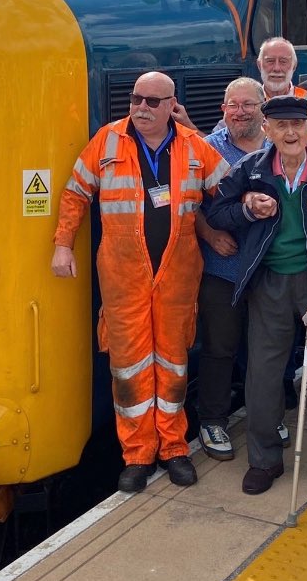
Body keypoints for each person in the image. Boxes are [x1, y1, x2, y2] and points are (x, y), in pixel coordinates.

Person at [51, 72, 229, 492]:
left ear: (172, 105)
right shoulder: (107, 141)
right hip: (123, 273)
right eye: (136, 99)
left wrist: (255, 205)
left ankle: (173, 448)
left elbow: (230, 187)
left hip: (178, 273)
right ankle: (137, 455)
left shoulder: (192, 145)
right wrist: (63, 245)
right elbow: (76, 192)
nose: (141, 108)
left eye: (152, 101)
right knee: (128, 366)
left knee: (172, 362)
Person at [206, 96, 307, 509]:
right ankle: (264, 460)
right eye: (281, 125)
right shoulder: (250, 170)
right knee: (263, 371)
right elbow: (217, 212)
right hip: (270, 283)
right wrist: (246, 208)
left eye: (299, 124)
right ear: (267, 130)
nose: (291, 133)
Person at [192, 78, 273, 461]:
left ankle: (265, 416)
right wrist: (209, 234)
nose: (240, 112)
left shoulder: (278, 148)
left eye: (248, 104)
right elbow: (185, 204)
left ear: (262, 107)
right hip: (222, 268)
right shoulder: (205, 148)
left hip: (268, 267)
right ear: (223, 109)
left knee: (265, 348)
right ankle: (212, 420)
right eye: (232, 105)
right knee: (220, 348)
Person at [257, 37, 307, 150]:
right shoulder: (247, 103)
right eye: (270, 61)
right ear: (259, 65)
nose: (276, 68)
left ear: (294, 66)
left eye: (283, 62)